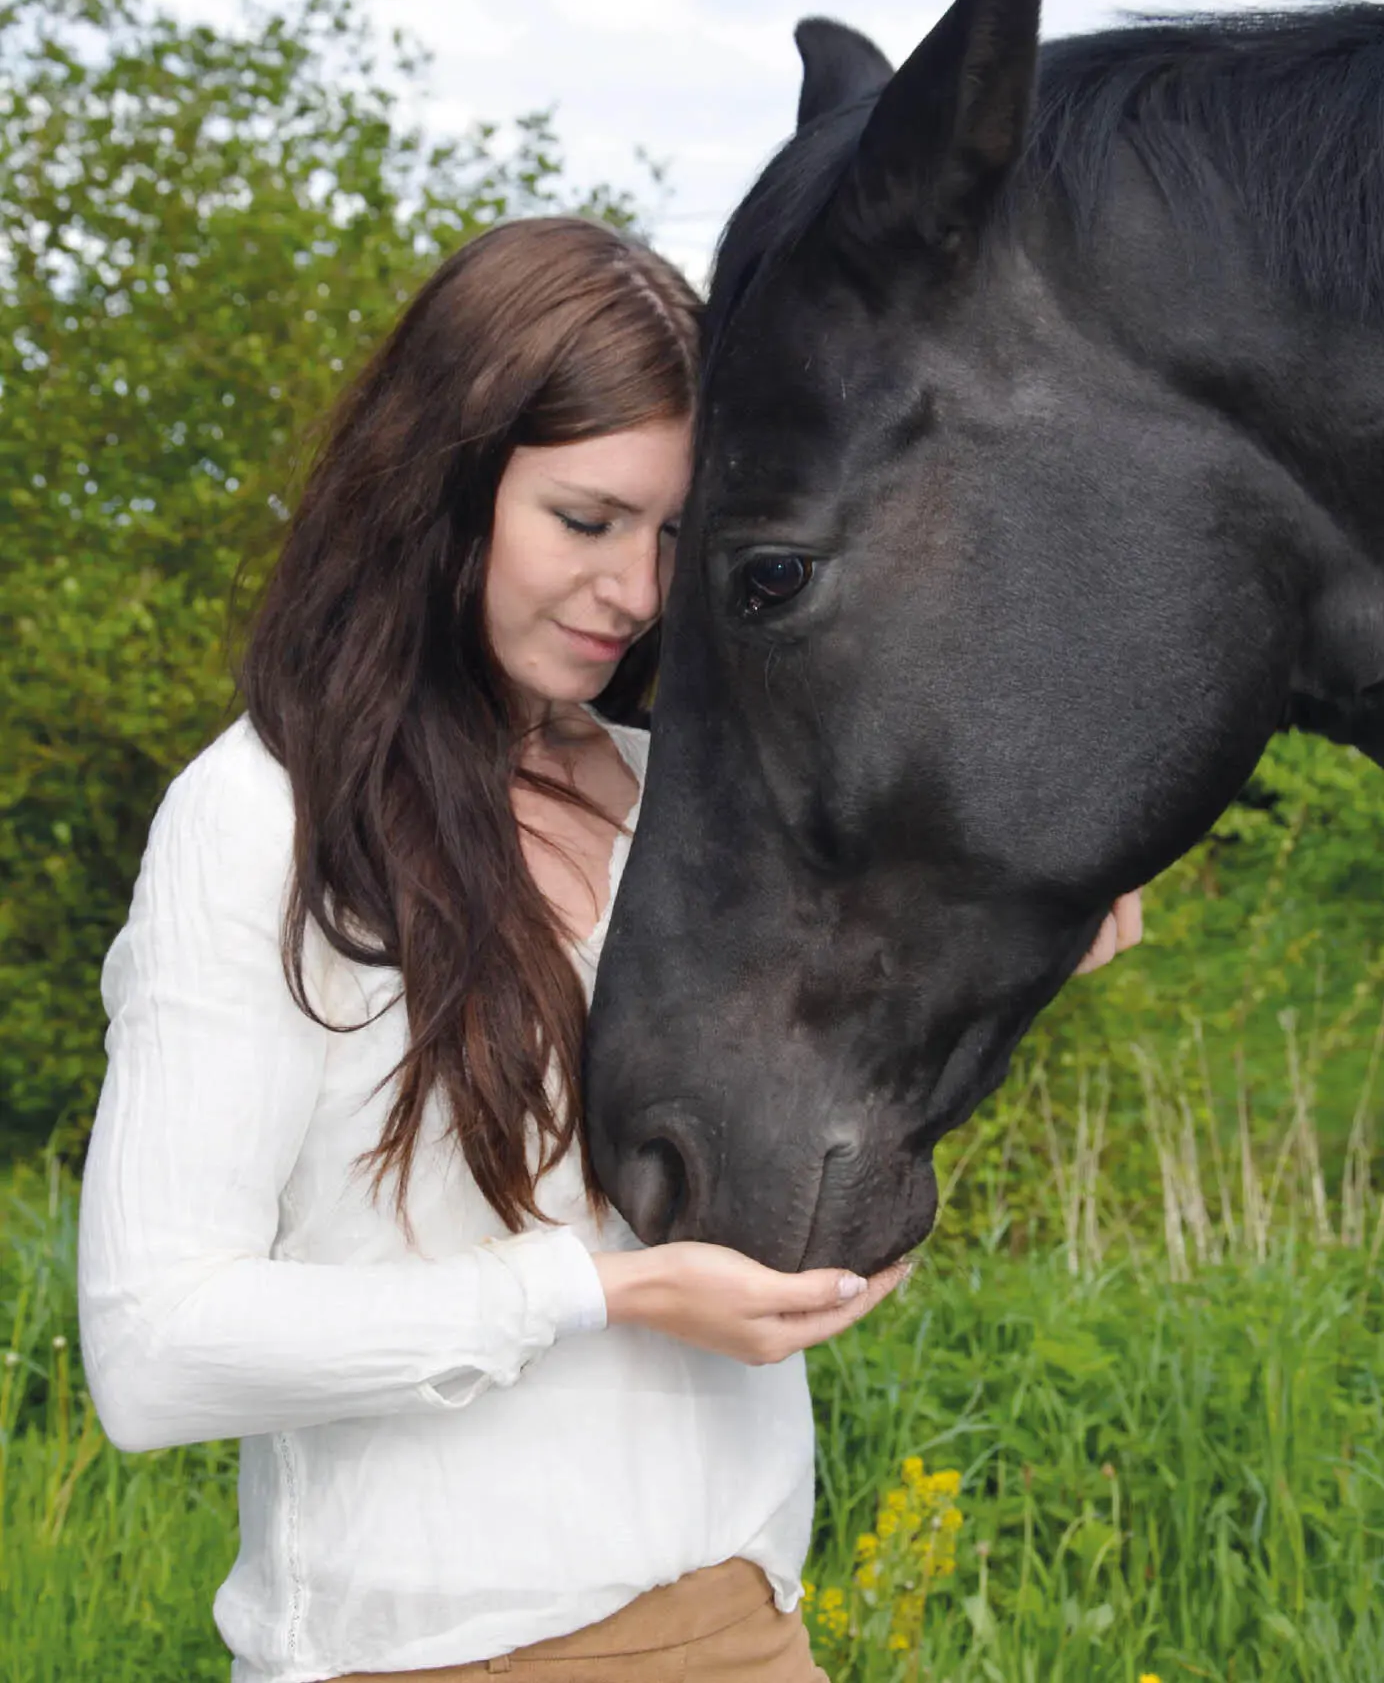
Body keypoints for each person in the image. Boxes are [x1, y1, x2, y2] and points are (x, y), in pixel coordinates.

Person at [78, 215, 1141, 1683]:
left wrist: (1034, 921)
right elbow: (156, 1350)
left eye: (674, 538)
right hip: (448, 1658)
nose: (636, 595)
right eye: (586, 522)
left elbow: (830, 1045)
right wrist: (605, 1294)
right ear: (442, 488)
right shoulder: (265, 822)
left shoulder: (674, 803)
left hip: (753, 1629)